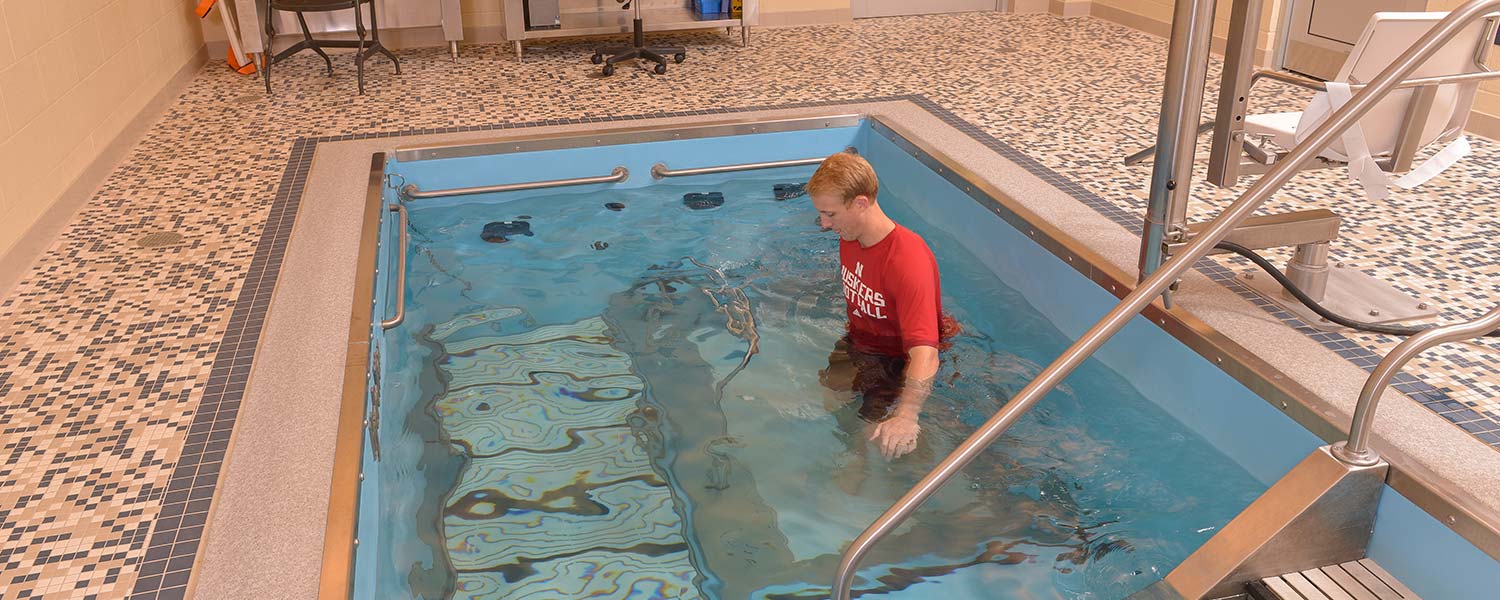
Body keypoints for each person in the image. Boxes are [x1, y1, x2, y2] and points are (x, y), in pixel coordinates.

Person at [810, 151, 954, 460]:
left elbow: (925, 354)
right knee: (830, 399)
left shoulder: (907, 260)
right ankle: (856, 459)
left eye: (831, 214)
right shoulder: (850, 234)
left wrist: (907, 415)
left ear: (860, 204)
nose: (823, 224)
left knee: (882, 435)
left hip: (897, 356)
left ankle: (893, 474)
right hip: (862, 341)